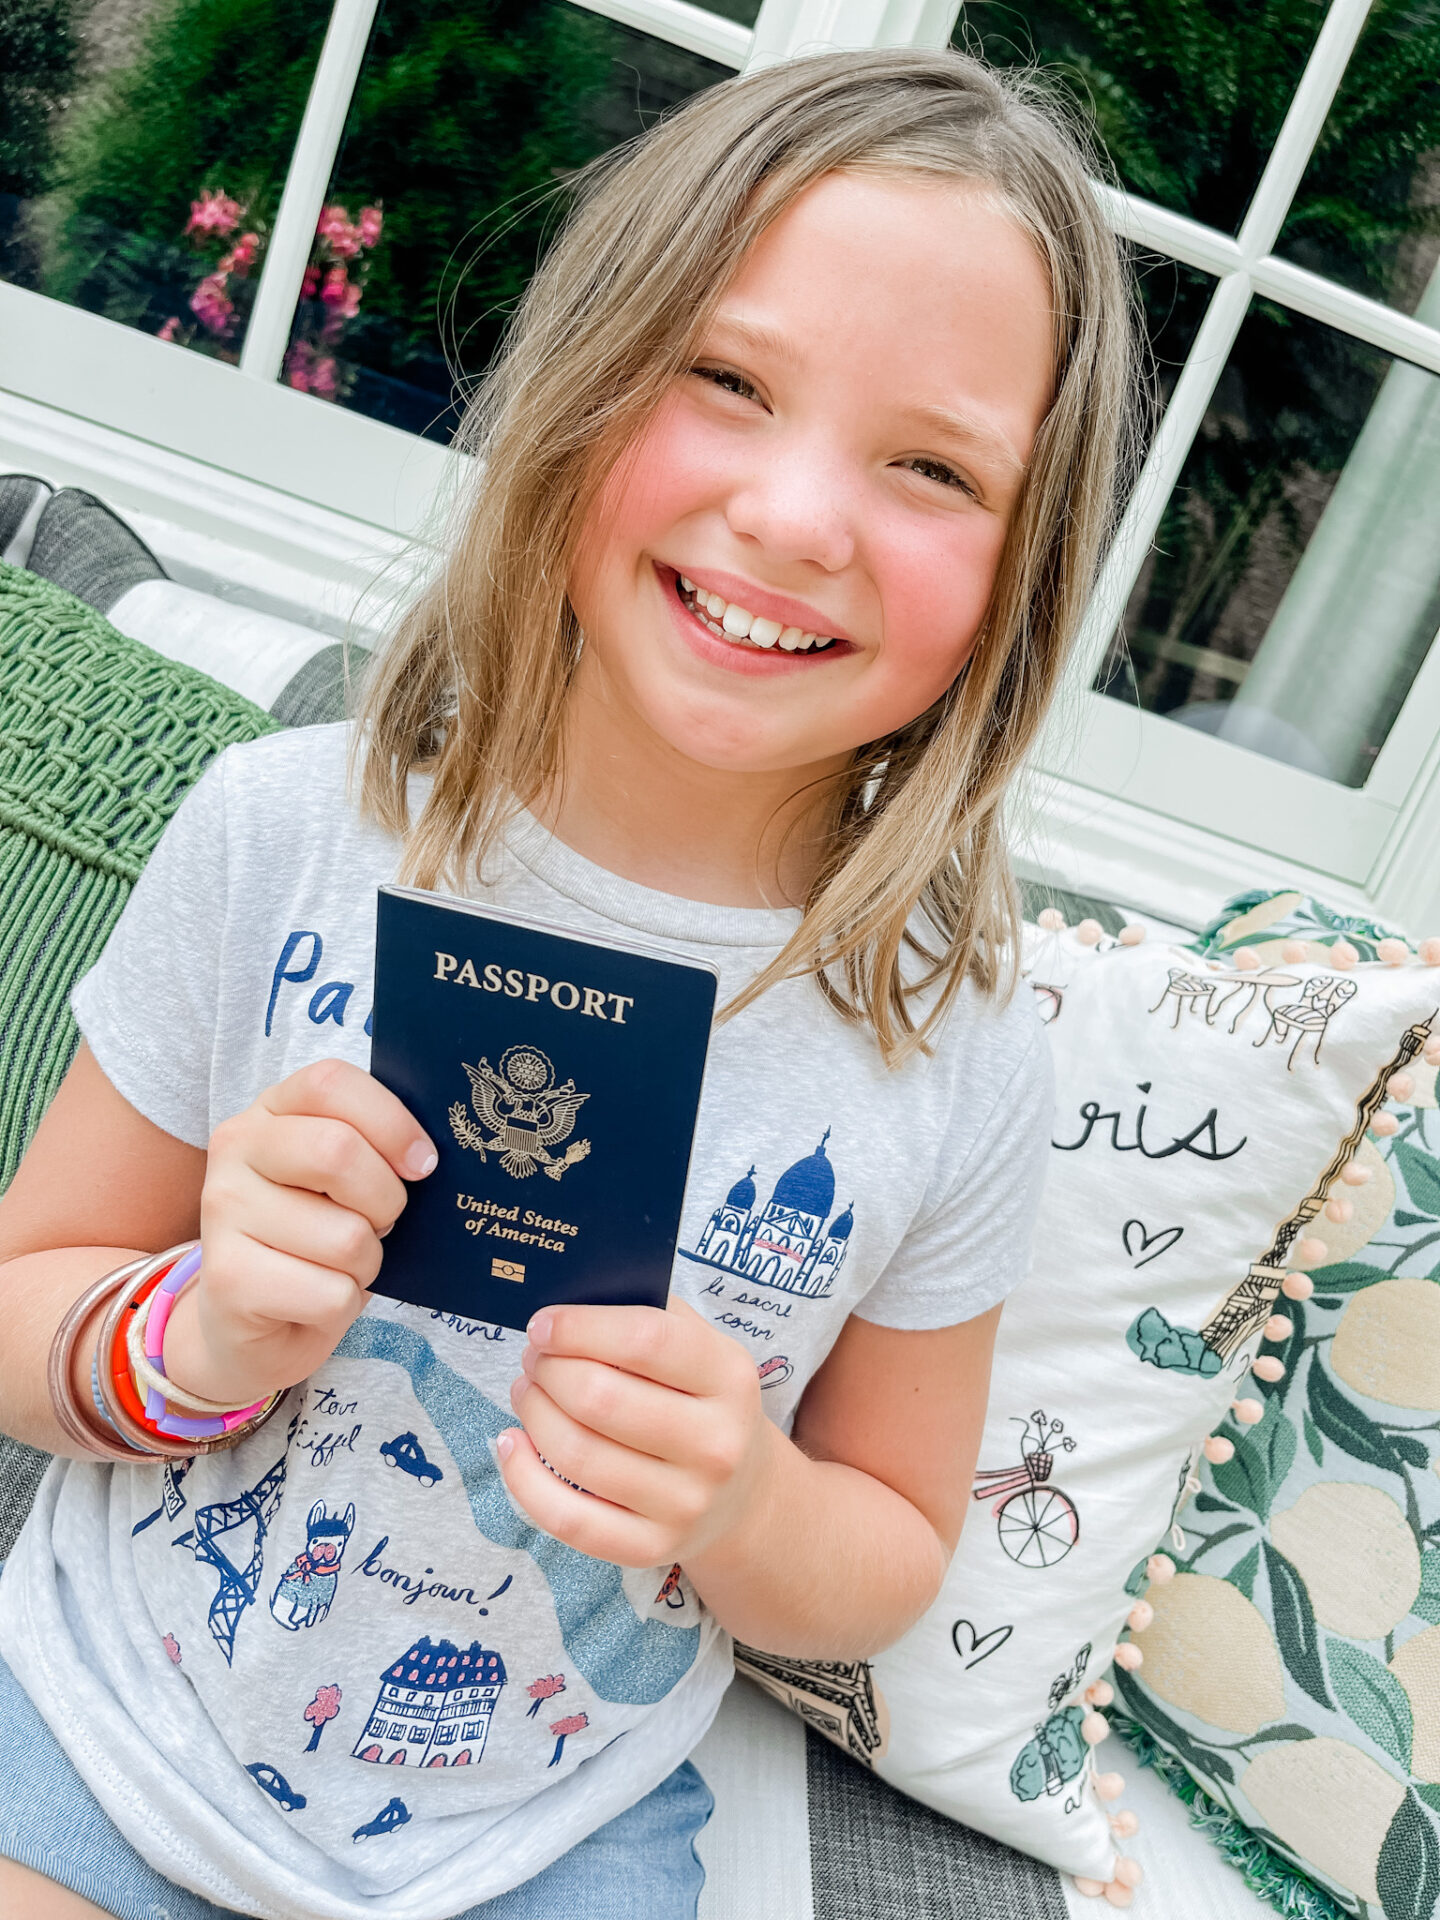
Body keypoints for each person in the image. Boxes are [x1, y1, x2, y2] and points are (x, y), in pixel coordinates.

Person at [0, 45, 1137, 1920]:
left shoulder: (957, 1045)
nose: (797, 517)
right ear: (583, 383)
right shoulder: (284, 829)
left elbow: (886, 1549)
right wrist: (195, 1336)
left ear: (1028, 576)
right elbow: (23, 1304)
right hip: (110, 1731)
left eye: (933, 467)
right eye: (727, 380)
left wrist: (748, 1504)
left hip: (543, 1838)